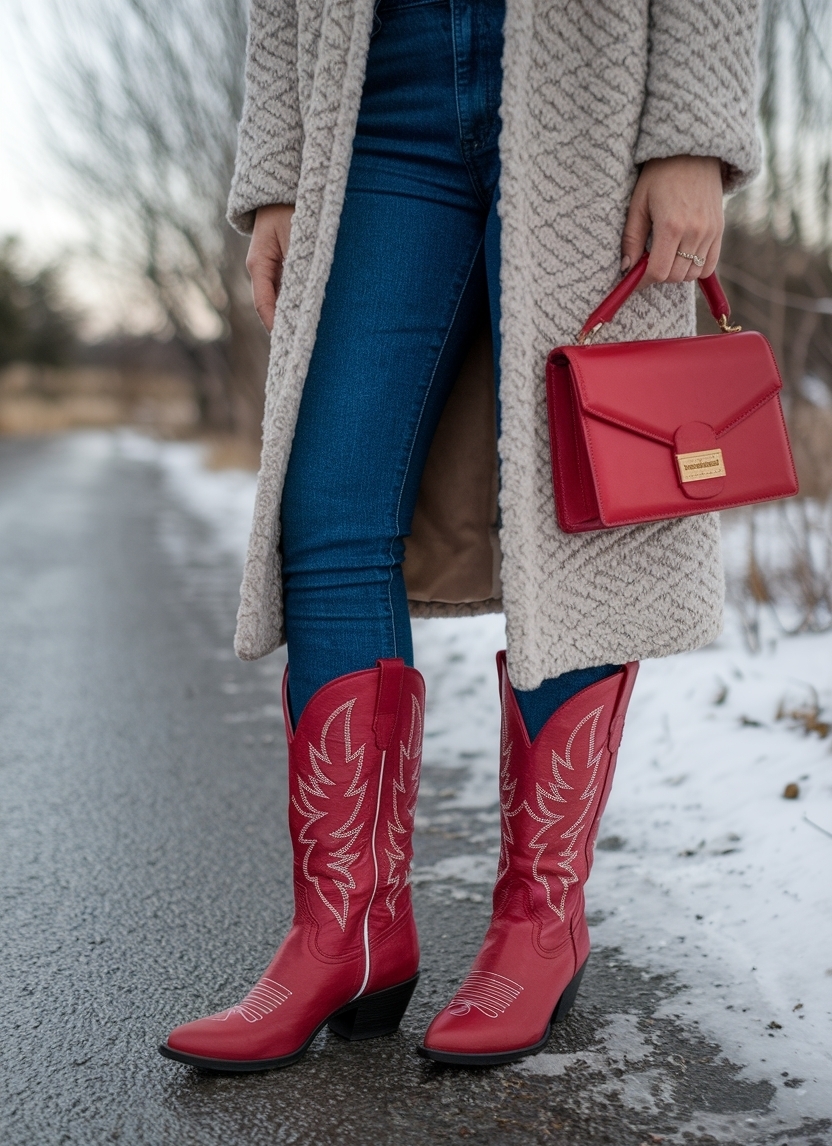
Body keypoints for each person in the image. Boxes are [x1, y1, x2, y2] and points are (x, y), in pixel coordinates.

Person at [160, 0, 761, 1071]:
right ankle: (341, 932)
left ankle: (540, 922)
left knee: (579, 486)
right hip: (371, 98)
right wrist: (276, 175)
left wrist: (695, 131)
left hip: (590, 75)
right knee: (327, 503)